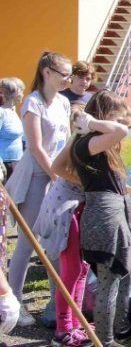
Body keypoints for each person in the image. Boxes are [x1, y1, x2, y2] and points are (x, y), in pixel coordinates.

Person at [5, 51, 72, 327]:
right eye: (64, 74)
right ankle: (14, 303)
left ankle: (58, 301)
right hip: (35, 177)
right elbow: (35, 146)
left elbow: (65, 142)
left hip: (56, 176)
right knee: (27, 242)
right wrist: (55, 174)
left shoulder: (64, 103)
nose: (68, 79)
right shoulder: (33, 103)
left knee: (54, 241)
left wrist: (67, 172)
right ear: (47, 73)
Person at [71, 90, 131, 347]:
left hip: (116, 209)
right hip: (104, 216)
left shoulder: (100, 143)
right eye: (116, 117)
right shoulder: (86, 142)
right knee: (109, 278)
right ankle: (105, 340)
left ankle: (120, 327)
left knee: (126, 271)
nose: (122, 123)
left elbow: (121, 131)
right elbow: (121, 131)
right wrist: (91, 122)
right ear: (102, 116)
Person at [35, 105, 92, 346]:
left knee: (82, 269)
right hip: (63, 211)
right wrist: (90, 183)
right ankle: (63, 330)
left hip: (75, 208)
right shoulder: (78, 143)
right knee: (69, 272)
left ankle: (75, 322)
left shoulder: (89, 141)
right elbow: (58, 169)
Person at [0, 77, 25, 181]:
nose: (23, 94)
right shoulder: (1, 112)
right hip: (4, 165)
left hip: (16, 164)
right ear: (15, 94)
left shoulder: (12, 110)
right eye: (21, 91)